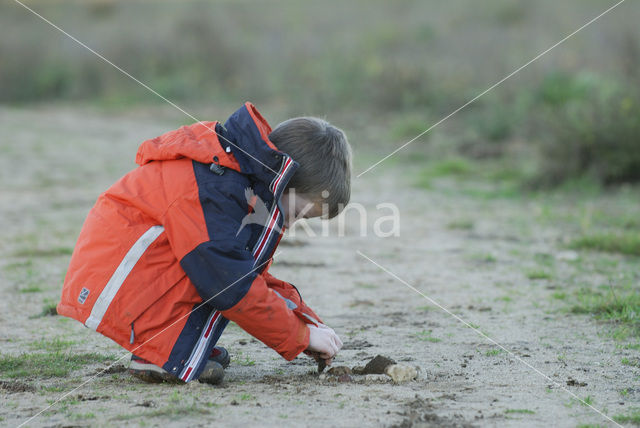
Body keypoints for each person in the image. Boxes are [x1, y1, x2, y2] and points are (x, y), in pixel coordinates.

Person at [57, 102, 351, 384]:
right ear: (282, 178)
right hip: (115, 277)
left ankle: (177, 343)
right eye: (298, 212)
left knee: (221, 266)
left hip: (133, 273)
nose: (291, 224)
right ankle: (160, 351)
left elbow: (249, 276)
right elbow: (231, 284)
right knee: (217, 272)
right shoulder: (217, 186)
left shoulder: (242, 184)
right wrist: (298, 336)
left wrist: (308, 323)